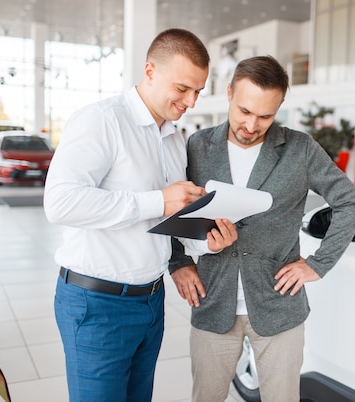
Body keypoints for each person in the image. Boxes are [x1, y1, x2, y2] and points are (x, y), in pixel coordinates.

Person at [43, 28, 237, 402]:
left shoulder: (175, 139)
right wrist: (157, 201)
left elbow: (168, 226)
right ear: (150, 72)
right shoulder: (101, 121)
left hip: (151, 301)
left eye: (197, 91)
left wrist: (208, 241)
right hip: (96, 304)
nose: (191, 101)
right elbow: (61, 202)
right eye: (182, 88)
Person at [168, 55, 355, 402]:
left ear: (280, 106)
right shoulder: (197, 146)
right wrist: (179, 263)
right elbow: (174, 208)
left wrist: (317, 264)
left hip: (279, 308)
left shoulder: (300, 149)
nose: (251, 125)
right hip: (212, 302)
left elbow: (350, 202)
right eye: (244, 111)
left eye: (265, 116)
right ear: (228, 93)